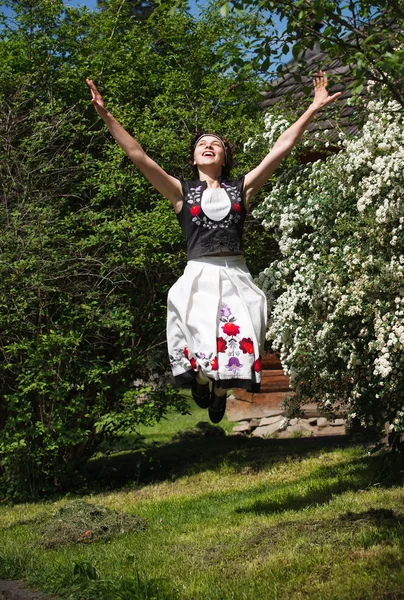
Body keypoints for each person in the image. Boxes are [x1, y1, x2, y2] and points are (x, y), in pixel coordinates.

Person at [86, 72, 340, 423]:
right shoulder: (181, 192)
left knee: (249, 327)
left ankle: (219, 390)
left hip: (236, 273)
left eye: (216, 144)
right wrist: (106, 115)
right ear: (193, 158)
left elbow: (281, 146)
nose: (209, 145)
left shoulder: (242, 189)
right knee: (201, 340)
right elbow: (138, 155)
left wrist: (313, 108)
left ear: (224, 157)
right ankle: (204, 382)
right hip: (199, 274)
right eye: (202, 143)